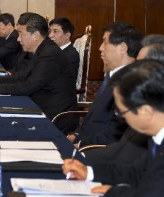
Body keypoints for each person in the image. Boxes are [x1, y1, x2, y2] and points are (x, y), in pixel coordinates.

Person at [62, 60, 164, 197]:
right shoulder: (156, 137)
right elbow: (136, 173)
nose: (120, 118)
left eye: (120, 112)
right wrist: (89, 172)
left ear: (146, 112)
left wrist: (114, 192)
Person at [0, 13, 77, 133]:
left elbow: (28, 86)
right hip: (38, 106)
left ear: (36, 35)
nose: (18, 39)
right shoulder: (42, 49)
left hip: (53, 118)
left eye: (21, 34)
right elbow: (23, 75)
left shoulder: (49, 54)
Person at [84, 34, 164, 166]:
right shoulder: (143, 103)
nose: (133, 69)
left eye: (139, 64)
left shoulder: (148, 112)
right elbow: (123, 151)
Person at [67, 22, 142, 147]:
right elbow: (94, 116)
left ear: (122, 48)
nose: (100, 48)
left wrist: (81, 144)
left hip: (98, 150)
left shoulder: (132, 82)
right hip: (86, 141)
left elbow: (115, 132)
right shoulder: (111, 75)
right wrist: (76, 135)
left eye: (105, 42)